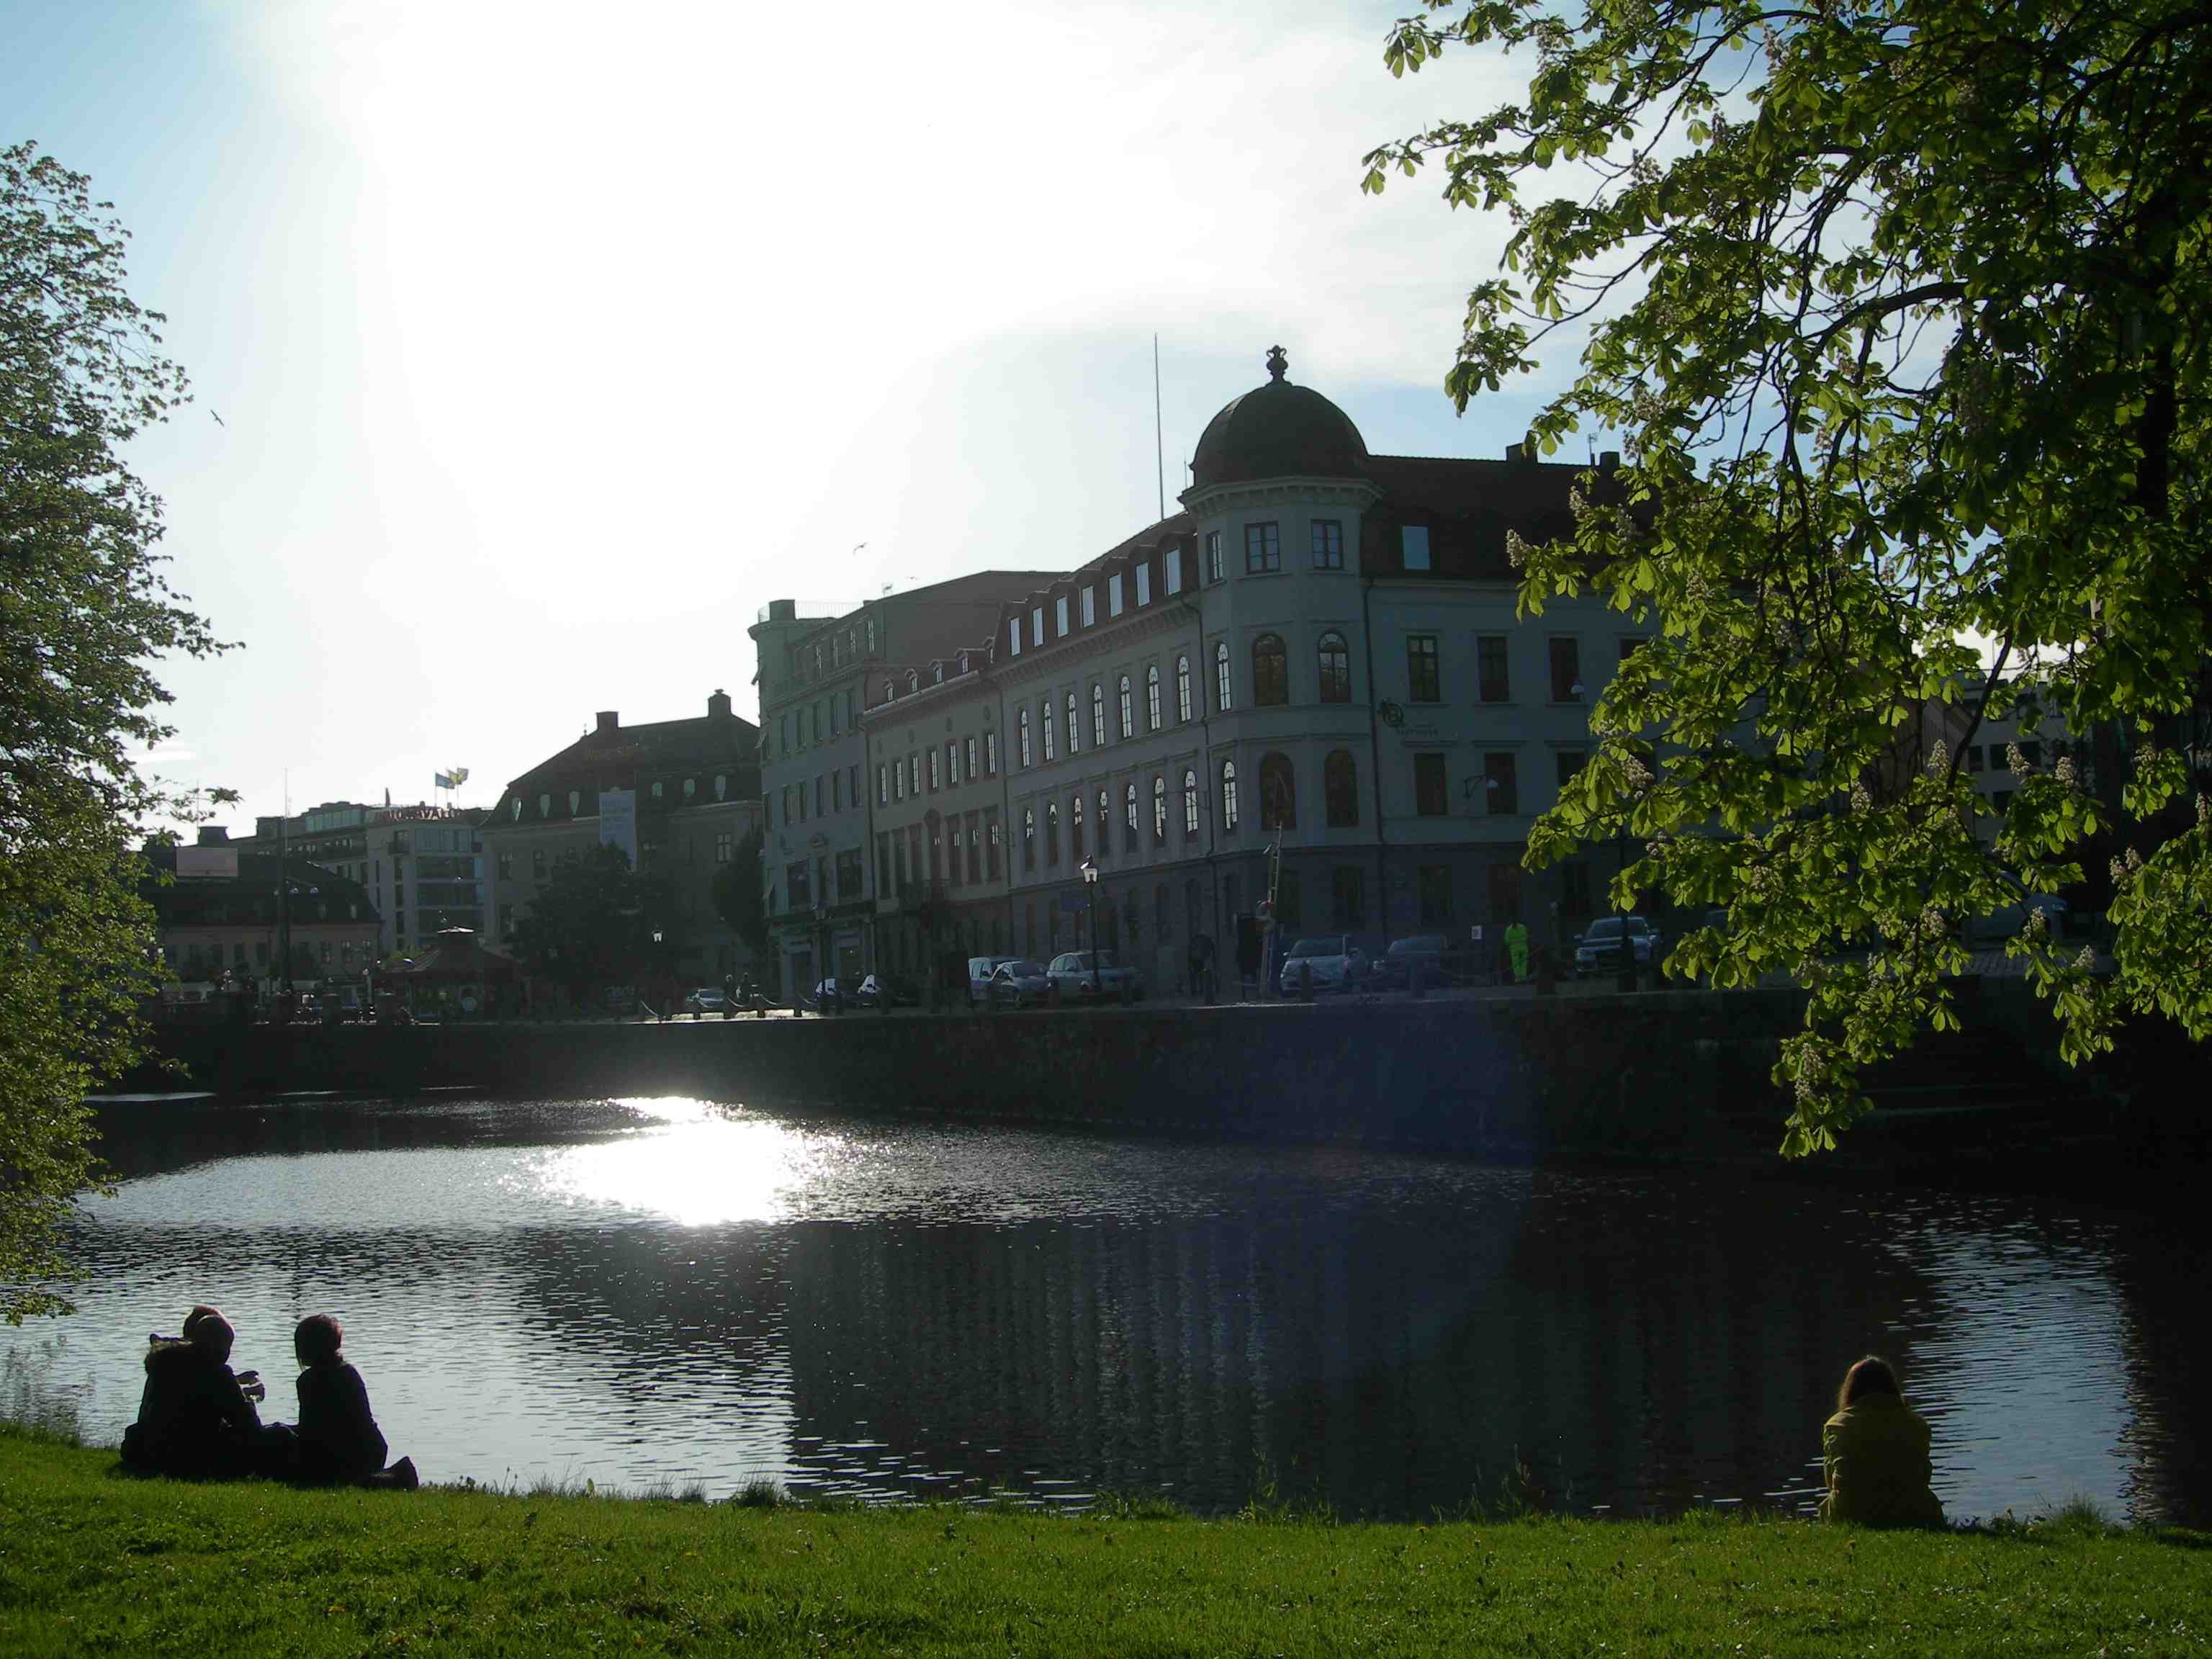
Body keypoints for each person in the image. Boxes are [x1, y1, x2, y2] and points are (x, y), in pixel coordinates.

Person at [120, 1305, 281, 1479]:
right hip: (191, 1456)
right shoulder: (219, 1374)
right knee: (279, 1434)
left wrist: (236, 1385)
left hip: (146, 1450)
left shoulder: (163, 1365)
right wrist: (250, 1400)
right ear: (221, 1348)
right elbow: (250, 1427)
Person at [291, 1313, 416, 1489]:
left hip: (348, 1452)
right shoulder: (348, 1372)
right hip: (373, 1447)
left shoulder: (308, 1381)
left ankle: (387, 1479)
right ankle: (386, 1477)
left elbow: (309, 1430)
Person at [1820, 1355, 1945, 1527]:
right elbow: (1923, 1473)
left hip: (1852, 1514)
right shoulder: (1917, 1424)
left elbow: (1830, 1480)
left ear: (1850, 1389)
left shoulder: (1836, 1425)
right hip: (1914, 1514)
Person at [1503, 919, 1530, 984]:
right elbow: (1526, 937)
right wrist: (1520, 941)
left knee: (1516, 964)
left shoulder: (1508, 929)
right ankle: (1523, 977)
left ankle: (1518, 978)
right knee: (1523, 963)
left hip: (1515, 949)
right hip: (1523, 948)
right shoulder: (1523, 927)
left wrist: (1513, 942)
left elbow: (1507, 941)